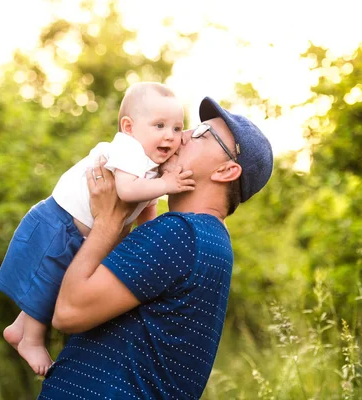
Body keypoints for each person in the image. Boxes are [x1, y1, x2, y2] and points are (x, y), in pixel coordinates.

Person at [37, 96, 274, 399]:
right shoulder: (209, 240)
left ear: (226, 171)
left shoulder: (181, 232)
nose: (181, 136)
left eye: (201, 133)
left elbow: (69, 312)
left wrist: (106, 222)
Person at [0, 82, 196, 375]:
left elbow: (146, 204)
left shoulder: (152, 165)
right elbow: (127, 191)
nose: (170, 136)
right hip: (59, 222)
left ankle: (18, 328)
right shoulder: (129, 150)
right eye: (160, 125)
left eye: (178, 129)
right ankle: (32, 340)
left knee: (56, 285)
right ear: (129, 127)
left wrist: (150, 231)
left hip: (79, 232)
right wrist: (167, 184)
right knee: (49, 278)